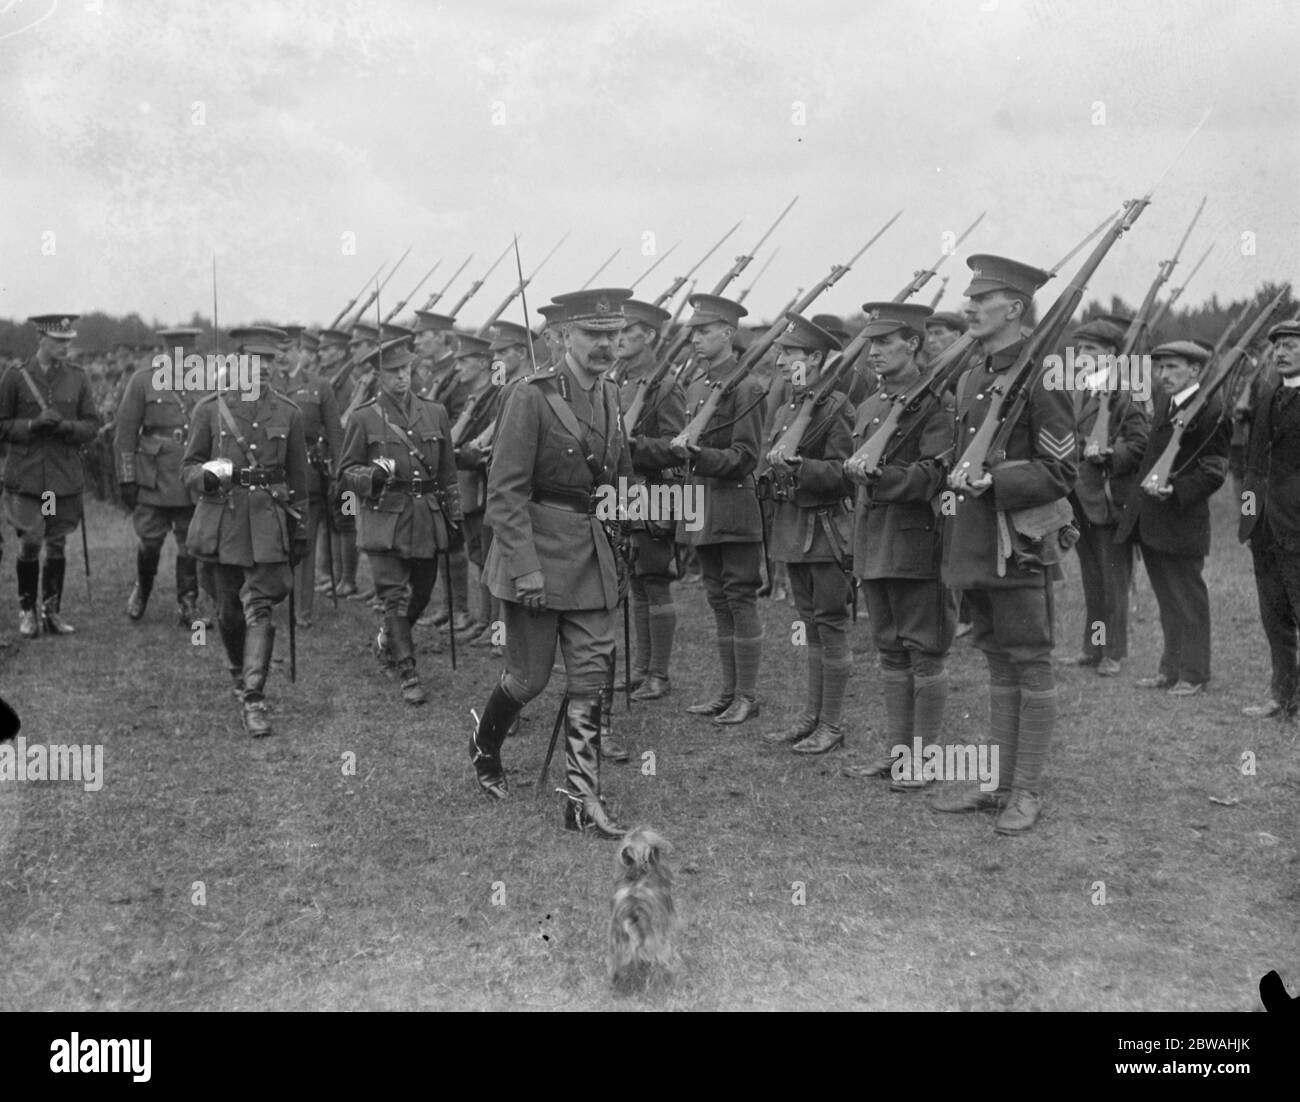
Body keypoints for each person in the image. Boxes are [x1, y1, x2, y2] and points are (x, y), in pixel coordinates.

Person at [468, 288, 633, 838]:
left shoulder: (611, 396)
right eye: (593, 334)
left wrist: (626, 532)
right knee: (530, 679)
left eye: (612, 334)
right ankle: (484, 744)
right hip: (536, 554)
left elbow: (616, 478)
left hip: (590, 555)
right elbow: (505, 493)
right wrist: (524, 568)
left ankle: (582, 800)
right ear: (564, 337)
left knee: (589, 678)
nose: (606, 344)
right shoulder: (530, 397)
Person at [934, 256, 1076, 834]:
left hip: (1016, 544)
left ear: (1014, 309)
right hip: (973, 543)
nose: (968, 307)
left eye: (981, 298)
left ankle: (1028, 790)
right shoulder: (974, 375)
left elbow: (1059, 470)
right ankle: (997, 785)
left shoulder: (1044, 375)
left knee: (1030, 660)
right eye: (969, 297)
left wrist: (999, 480)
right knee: (996, 659)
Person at [842, 302, 957, 789]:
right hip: (874, 543)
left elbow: (937, 472)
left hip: (916, 543)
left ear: (912, 344)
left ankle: (925, 759)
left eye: (884, 343)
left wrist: (882, 477)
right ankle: (897, 754)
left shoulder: (938, 404)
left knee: (923, 650)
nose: (873, 353)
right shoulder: (870, 406)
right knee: (889, 649)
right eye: (869, 344)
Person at [638, 293, 767, 725]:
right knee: (717, 598)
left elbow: (747, 456)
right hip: (700, 505)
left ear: (728, 334)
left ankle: (746, 694)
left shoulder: (746, 386)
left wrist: (700, 455)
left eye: (704, 331)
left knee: (739, 597)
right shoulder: (696, 386)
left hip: (732, 503)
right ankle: (727, 691)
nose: (694, 339)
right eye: (692, 331)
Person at [181, 326, 309, 736]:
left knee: (259, 607)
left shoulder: (289, 413)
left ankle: (254, 696)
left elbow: (298, 479)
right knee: (228, 612)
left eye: (271, 361)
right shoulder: (209, 410)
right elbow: (187, 469)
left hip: (268, 522)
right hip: (224, 520)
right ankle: (238, 669)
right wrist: (208, 476)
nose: (267, 369)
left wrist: (300, 529)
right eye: (257, 361)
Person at [338, 340, 462, 705]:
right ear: (379, 375)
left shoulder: (434, 412)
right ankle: (408, 670)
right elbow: (345, 471)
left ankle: (387, 639)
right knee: (394, 596)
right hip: (384, 517)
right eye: (393, 372)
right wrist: (371, 478)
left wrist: (453, 518)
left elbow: (448, 472)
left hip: (425, 516)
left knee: (422, 592)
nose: (400, 377)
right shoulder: (364, 417)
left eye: (405, 370)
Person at [755, 314, 855, 753]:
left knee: (831, 626)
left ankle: (831, 723)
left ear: (815, 358)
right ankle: (812, 716)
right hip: (793, 529)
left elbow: (846, 474)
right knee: (809, 626)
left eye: (789, 354)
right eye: (779, 353)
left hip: (826, 530)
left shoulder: (838, 409)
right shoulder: (785, 409)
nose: (779, 361)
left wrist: (802, 469)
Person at [1118, 341, 1229, 697]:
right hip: (1153, 520)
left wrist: (1177, 489)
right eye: (1160, 368)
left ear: (1195, 371)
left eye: (1173, 368)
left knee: (1187, 601)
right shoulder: (1167, 402)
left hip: (1181, 520)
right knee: (1168, 602)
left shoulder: (1212, 409)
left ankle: (1194, 674)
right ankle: (1170, 670)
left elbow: (1214, 470)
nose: (1163, 375)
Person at [0, 315, 100, 638]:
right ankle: (26, 609)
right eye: (60, 340)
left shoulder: (78, 378)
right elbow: (2, 425)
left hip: (59, 481)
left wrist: (67, 428)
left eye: (69, 340)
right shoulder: (16, 377)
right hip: (29, 478)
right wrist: (31, 425)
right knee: (30, 542)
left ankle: (51, 611)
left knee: (56, 543)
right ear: (41, 338)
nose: (66, 346)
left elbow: (92, 425)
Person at [1065, 319, 1150, 677]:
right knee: (1092, 580)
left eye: (1092, 350)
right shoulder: (1077, 391)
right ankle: (1093, 647)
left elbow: (1140, 443)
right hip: (1079, 499)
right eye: (1080, 349)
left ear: (1113, 355)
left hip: (1109, 500)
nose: (1084, 356)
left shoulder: (1127, 393)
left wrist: (1112, 453)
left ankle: (1113, 652)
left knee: (1114, 582)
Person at [612, 298, 685, 702]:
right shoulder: (620, 381)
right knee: (635, 580)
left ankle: (659, 674)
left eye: (628, 331)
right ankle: (640, 667)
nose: (618, 338)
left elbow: (678, 446)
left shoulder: (667, 385)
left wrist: (635, 445)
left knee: (656, 581)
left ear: (650, 336)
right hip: (622, 493)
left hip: (656, 492)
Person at [113, 327, 205, 625]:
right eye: (175, 355)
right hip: (153, 476)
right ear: (165, 353)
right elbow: (125, 434)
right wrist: (127, 479)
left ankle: (188, 603)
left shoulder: (204, 382)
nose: (182, 361)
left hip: (191, 474)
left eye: (187, 355)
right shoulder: (143, 381)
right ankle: (142, 589)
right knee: (150, 542)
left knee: (190, 542)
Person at [1238, 320, 1300, 719]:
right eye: (1277, 347)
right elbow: (1253, 462)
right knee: (1274, 617)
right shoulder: (1267, 395)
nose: (1281, 353)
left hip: (1297, 526)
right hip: (1263, 526)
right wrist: (1248, 516)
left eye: (1291, 345)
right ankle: (1283, 696)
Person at [274, 329, 341, 630]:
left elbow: (336, 434)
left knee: (305, 540)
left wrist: (339, 474)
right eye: (277, 350)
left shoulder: (319, 386)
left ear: (301, 350)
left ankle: (302, 610)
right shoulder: (263, 384)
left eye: (288, 349)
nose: (281, 356)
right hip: (271, 474)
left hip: (307, 475)